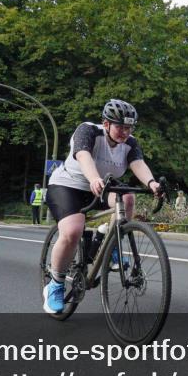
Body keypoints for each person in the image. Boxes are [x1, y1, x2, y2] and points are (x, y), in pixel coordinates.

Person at [42, 99, 162, 314]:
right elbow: (83, 155)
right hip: (68, 185)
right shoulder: (88, 131)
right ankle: (55, 284)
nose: (125, 132)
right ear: (106, 124)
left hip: (102, 185)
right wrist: (93, 178)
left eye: (129, 128)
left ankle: (112, 241)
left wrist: (152, 183)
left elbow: (138, 164)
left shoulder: (130, 143)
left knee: (127, 199)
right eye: (120, 127)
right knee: (73, 230)